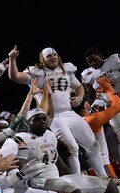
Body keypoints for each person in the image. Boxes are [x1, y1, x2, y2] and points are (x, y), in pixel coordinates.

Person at [7, 45, 107, 176]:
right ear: (43, 59)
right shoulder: (38, 72)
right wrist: (12, 59)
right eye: (49, 55)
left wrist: (80, 97)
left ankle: (104, 178)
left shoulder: (66, 69)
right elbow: (15, 76)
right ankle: (78, 180)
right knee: (73, 147)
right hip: (52, 116)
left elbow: (78, 87)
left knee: (93, 145)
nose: (53, 57)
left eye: (54, 54)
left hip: (69, 113)